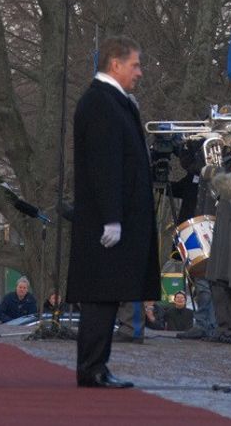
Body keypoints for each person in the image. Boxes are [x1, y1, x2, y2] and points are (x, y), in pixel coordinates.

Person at [66, 37, 160, 389]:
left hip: (116, 215)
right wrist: (112, 217)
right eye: (135, 64)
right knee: (100, 295)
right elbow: (104, 165)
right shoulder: (100, 103)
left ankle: (97, 365)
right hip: (106, 219)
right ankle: (91, 367)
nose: (140, 71)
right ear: (115, 64)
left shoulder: (112, 101)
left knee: (107, 293)